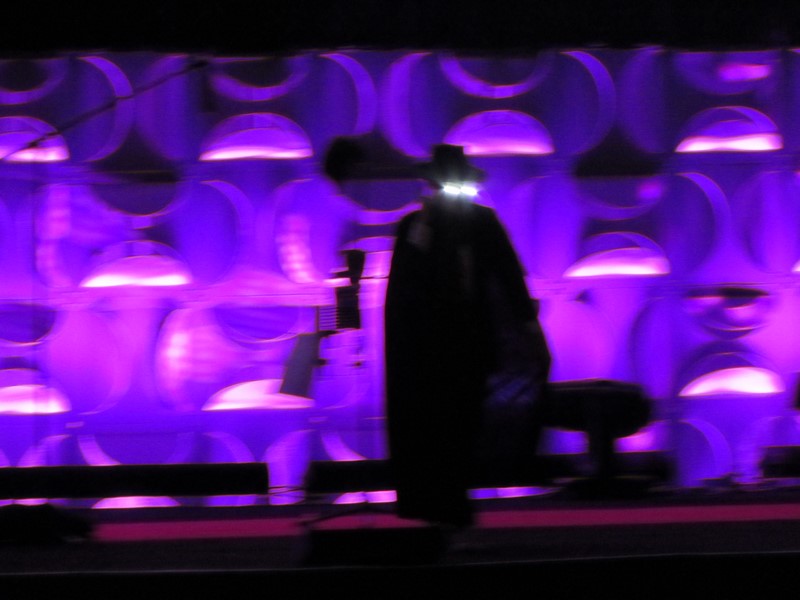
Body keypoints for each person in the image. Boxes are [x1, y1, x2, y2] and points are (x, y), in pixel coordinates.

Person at [384, 145, 550, 527]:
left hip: (470, 341)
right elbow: (406, 290)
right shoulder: (415, 226)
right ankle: (434, 500)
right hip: (426, 349)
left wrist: (527, 326)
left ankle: (455, 498)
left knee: (465, 420)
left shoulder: (482, 222)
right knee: (432, 423)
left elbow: (509, 276)